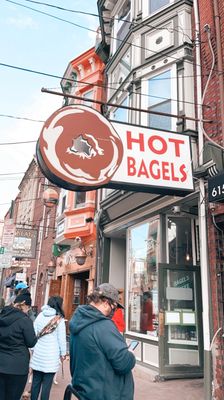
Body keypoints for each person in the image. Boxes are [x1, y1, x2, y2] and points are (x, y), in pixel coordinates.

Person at [69, 283, 136, 400]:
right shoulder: (104, 326)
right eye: (114, 307)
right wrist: (130, 354)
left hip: (87, 391)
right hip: (106, 393)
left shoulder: (78, 320)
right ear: (106, 303)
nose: (114, 311)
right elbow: (123, 363)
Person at [0, 291, 37, 400]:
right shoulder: (25, 321)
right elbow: (31, 342)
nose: (29, 310)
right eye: (28, 307)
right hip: (17, 367)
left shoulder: (2, 316)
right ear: (24, 304)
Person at [30, 296, 67, 400]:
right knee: (47, 385)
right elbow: (61, 339)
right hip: (51, 355)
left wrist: (33, 349)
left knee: (35, 382)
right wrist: (63, 353)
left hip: (38, 353)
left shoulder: (40, 315)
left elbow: (34, 333)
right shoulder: (59, 319)